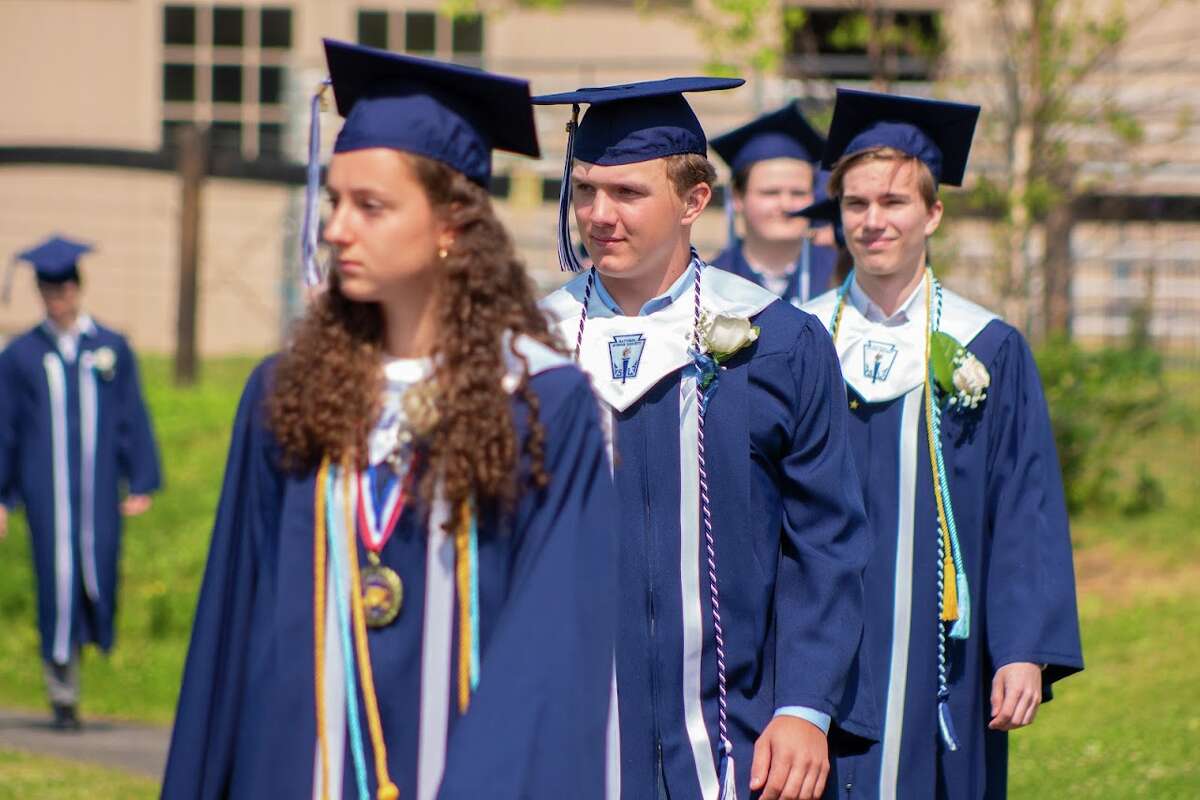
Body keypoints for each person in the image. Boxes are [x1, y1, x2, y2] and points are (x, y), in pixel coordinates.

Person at [162, 40, 617, 800]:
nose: (337, 228)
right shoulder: (285, 394)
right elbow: (228, 634)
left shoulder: (542, 404)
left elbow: (551, 658)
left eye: (370, 206)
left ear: (451, 224)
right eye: (335, 201)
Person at [537, 79, 876, 800]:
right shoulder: (528, 349)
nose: (599, 214)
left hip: (744, 733)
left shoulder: (776, 342)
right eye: (587, 190)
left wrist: (805, 706)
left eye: (628, 193)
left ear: (693, 201)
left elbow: (827, 539)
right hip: (565, 735)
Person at [802, 88, 1084, 798]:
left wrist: (1021, 649)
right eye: (856, 204)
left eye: (894, 203)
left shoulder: (987, 346)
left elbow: (1023, 505)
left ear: (933, 213)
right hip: (815, 639)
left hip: (941, 648)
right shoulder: (797, 341)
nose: (873, 222)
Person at [0, 235, 161, 731]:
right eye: (50, 290)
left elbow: (133, 415)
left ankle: (83, 661)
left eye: (66, 287)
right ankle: (61, 694)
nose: (59, 297)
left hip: (97, 493)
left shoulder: (110, 348)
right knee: (56, 582)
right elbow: (4, 426)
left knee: (98, 575)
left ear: (78, 288)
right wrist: (1, 496)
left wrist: (141, 479)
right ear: (41, 294)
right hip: (47, 493)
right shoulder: (21, 356)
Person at [709, 103, 837, 306]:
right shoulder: (711, 283)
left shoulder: (841, 277)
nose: (786, 204)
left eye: (798, 193)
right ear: (737, 198)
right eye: (770, 193)